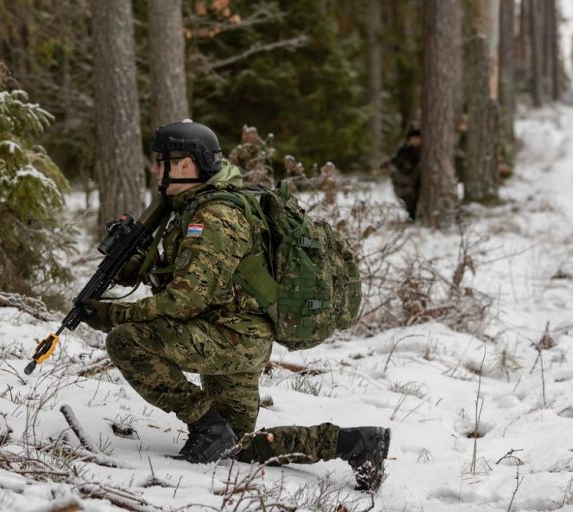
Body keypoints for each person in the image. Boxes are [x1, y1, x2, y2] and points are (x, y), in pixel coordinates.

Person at [81, 119, 391, 491]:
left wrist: (111, 314)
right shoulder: (193, 206)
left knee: (125, 340)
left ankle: (204, 423)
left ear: (185, 165)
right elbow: (193, 278)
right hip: (239, 335)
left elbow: (185, 300)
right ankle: (354, 443)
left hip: (230, 338)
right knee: (237, 446)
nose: (155, 169)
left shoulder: (214, 215)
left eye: (162, 161)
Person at [386, 128, 422, 221]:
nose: (415, 140)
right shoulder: (404, 151)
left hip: (415, 184)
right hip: (403, 183)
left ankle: (414, 215)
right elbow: (393, 162)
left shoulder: (423, 152)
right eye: (413, 138)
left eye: (417, 138)